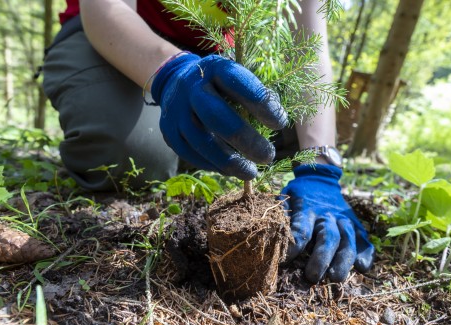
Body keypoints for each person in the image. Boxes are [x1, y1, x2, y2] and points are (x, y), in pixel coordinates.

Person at [43, 0, 375, 284]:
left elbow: (308, 43)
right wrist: (172, 72)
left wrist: (319, 165)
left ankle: (198, 139)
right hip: (115, 31)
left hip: (220, 53)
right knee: (128, 154)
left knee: (285, 119)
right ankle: (185, 139)